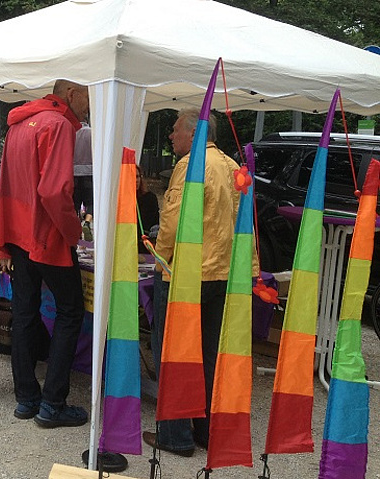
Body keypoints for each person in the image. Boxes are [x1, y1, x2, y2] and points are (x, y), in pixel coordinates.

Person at [143, 109, 244, 457]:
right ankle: (206, 431)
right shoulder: (232, 166)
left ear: (192, 133)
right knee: (209, 355)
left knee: (173, 354)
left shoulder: (190, 165)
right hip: (223, 274)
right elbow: (245, 223)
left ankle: (174, 435)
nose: (170, 137)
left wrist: (160, 259)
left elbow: (171, 220)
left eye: (174, 131)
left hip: (187, 275)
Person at [0, 80, 90, 428]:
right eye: (88, 94)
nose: (90, 103)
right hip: (45, 236)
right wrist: (74, 232)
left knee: (25, 312)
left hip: (19, 235)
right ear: (71, 94)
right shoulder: (59, 125)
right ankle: (52, 404)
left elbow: (3, 186)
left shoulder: (20, 123)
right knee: (70, 311)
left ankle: (27, 398)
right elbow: (54, 191)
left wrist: (2, 238)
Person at [136, 165, 160, 254]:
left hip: (145, 244)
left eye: (138, 176)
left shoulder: (150, 198)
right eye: (132, 177)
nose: (136, 180)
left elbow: (155, 223)